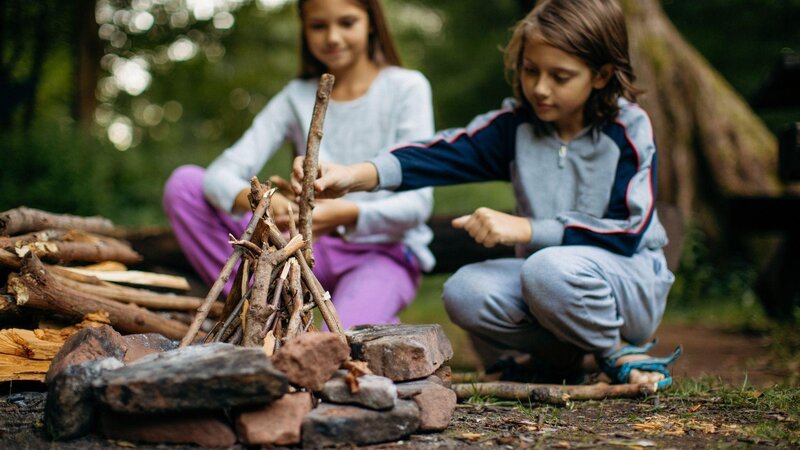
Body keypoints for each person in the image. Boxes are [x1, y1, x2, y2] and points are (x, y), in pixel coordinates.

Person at [292, 0, 681, 387]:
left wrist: (527, 230)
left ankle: (616, 348)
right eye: (531, 71)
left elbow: (628, 231)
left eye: (560, 77)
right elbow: (441, 153)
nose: (540, 89)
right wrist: (354, 175)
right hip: (548, 283)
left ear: (601, 75)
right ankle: (557, 356)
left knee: (546, 268)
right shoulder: (518, 127)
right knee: (465, 290)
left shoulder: (627, 129)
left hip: (628, 284)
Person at [163, 0, 436, 329]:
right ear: (305, 30)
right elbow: (220, 174)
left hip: (383, 254)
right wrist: (267, 203)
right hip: (301, 250)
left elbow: (418, 203)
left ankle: (363, 314)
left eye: (347, 23)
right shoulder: (296, 96)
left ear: (372, 23)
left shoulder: (407, 88)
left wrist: (345, 213)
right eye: (319, 26)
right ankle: (262, 307)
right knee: (185, 185)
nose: (333, 37)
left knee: (332, 346)